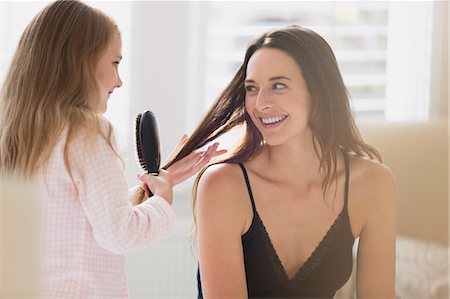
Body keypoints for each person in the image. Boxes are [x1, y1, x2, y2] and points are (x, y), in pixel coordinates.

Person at [0, 0, 225, 298]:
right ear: (80, 61)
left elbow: (79, 220)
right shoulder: (88, 131)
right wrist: (163, 201)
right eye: (115, 63)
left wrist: (160, 182)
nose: (119, 81)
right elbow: (119, 233)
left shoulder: (19, 134)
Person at [165, 25, 396, 298]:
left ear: (319, 92)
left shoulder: (372, 184)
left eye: (279, 86)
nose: (261, 103)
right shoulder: (223, 185)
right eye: (252, 88)